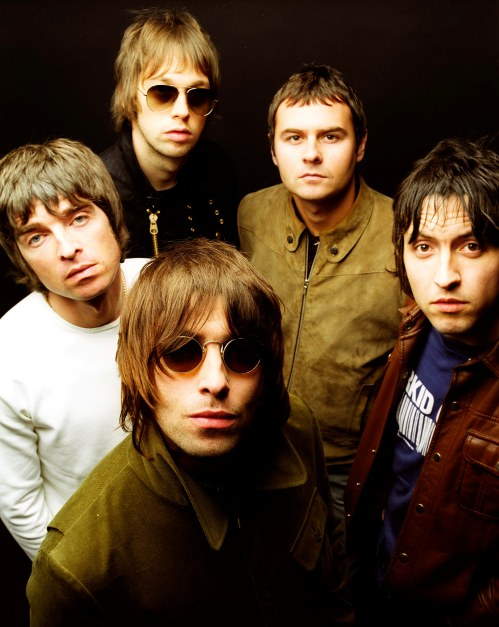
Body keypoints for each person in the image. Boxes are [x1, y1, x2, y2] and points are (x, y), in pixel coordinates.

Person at [27, 238, 354, 626]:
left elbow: (332, 573)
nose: (216, 381)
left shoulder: (296, 427)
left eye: (242, 353)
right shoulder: (76, 569)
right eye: (181, 352)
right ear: (137, 366)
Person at [238, 64, 405, 519]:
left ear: (360, 145)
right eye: (294, 138)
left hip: (347, 469)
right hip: (253, 448)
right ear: (273, 149)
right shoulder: (251, 213)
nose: (311, 154)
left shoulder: (404, 233)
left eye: (331, 137)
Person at [344, 137, 499, 625]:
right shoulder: (415, 328)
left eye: (471, 246)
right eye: (424, 247)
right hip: (376, 585)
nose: (445, 276)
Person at [0, 138, 148, 561]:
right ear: (21, 256)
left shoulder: (168, 289)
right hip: (94, 560)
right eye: (36, 237)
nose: (68, 249)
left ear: (111, 216)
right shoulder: (9, 354)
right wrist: (78, 581)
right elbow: (20, 505)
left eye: (79, 217)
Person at [101, 7, 239, 257]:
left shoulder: (218, 169)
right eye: (162, 93)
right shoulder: (98, 194)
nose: (182, 111)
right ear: (129, 97)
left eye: (197, 95)